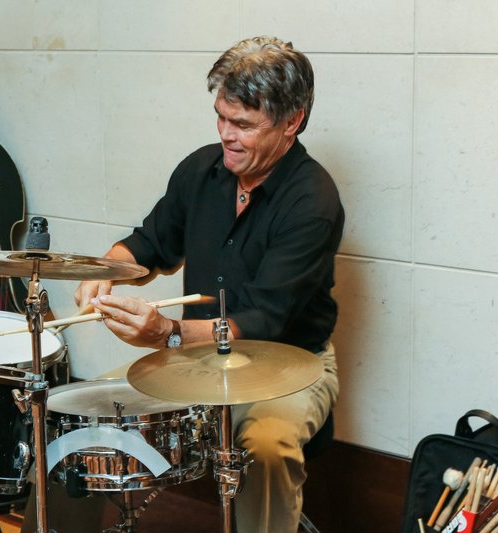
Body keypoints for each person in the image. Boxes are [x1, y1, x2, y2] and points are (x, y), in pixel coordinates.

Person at [75, 36, 344, 532]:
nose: (226, 135)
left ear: (292, 121)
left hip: (288, 364)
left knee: (267, 446)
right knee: (81, 414)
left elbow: (262, 319)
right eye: (221, 117)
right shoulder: (201, 169)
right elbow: (149, 244)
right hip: (195, 360)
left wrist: (167, 334)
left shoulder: (312, 200)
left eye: (243, 124)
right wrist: (104, 271)